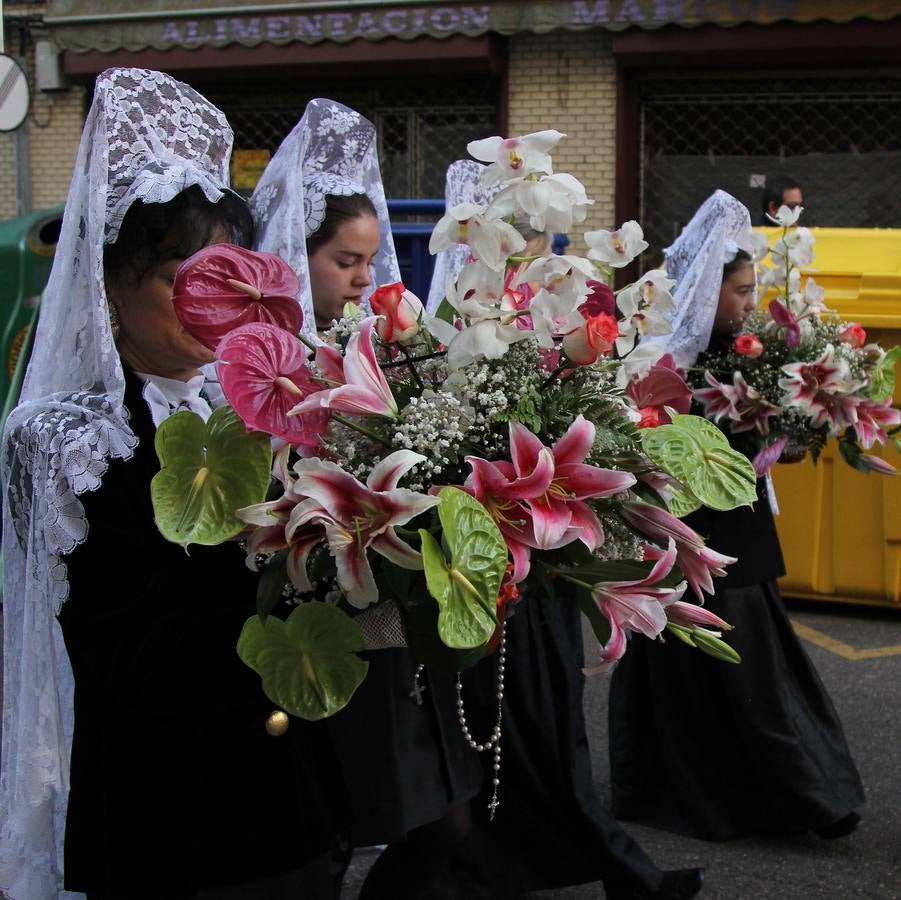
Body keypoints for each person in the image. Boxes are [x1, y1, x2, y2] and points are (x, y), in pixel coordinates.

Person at [0, 68, 346, 900]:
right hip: (158, 804)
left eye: (232, 280)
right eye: (182, 279)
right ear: (111, 284)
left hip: (286, 794)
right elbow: (87, 636)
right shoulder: (64, 438)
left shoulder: (271, 409)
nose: (211, 307)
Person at [422, 159, 705, 900]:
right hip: (493, 560)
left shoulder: (548, 311)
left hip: (536, 556)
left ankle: (558, 854)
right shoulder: (453, 328)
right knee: (512, 737)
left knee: (547, 729)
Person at [251, 100, 483, 900]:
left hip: (385, 624)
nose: (364, 278)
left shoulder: (373, 344)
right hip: (313, 626)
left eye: (370, 259)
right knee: (331, 829)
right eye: (346, 260)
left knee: (434, 820)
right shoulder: (257, 365)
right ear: (291, 255)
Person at [608, 189, 864, 842]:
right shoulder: (666, 358)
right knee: (709, 672)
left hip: (736, 533)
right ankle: (781, 796)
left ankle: (787, 795)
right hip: (694, 536)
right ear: (703, 287)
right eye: (739, 290)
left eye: (752, 289)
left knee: (742, 670)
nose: (748, 302)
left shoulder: (750, 351)